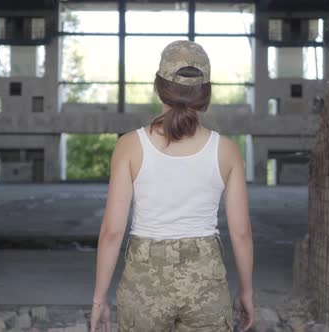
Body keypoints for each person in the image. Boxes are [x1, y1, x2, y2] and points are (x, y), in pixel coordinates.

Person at [89, 40, 254, 332]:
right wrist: (246, 292)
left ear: (158, 88)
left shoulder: (129, 146)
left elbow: (112, 232)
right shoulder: (226, 150)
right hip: (205, 281)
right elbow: (240, 233)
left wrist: (99, 299)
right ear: (206, 94)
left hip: (144, 282)